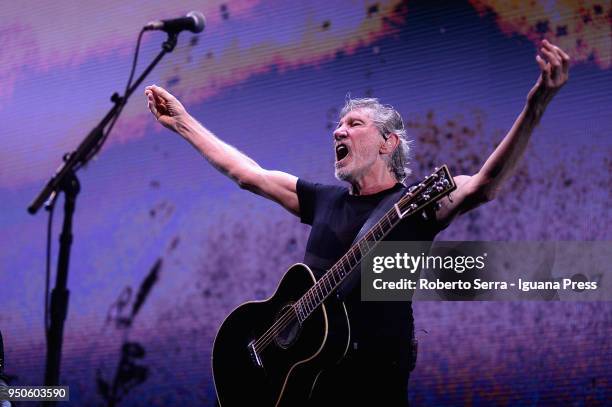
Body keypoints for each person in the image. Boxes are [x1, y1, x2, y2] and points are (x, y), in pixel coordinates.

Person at [145, 39, 569, 406]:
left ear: (389, 142)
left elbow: (484, 185)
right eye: (338, 124)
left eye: (354, 124)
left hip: (374, 387)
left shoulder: (414, 204)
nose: (338, 131)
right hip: (308, 390)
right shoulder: (322, 199)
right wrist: (184, 123)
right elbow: (247, 173)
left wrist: (535, 107)